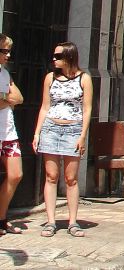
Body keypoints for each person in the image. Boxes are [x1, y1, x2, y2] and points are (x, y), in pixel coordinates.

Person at [32, 42, 92, 238]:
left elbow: (87, 109)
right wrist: (37, 133)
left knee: (71, 178)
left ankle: (73, 222)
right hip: (51, 127)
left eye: (58, 56)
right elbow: (44, 106)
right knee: (51, 175)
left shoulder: (84, 78)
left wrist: (82, 135)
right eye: (54, 56)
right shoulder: (50, 78)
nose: (54, 59)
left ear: (69, 57)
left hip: (73, 128)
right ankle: (51, 221)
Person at [0, 34, 25, 235]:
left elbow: (20, 97)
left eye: (8, 51)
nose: (7, 55)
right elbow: (11, 99)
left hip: (8, 132)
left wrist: (5, 99)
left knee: (16, 174)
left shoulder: (5, 74)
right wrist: (8, 99)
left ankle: (1, 218)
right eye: (3, 51)